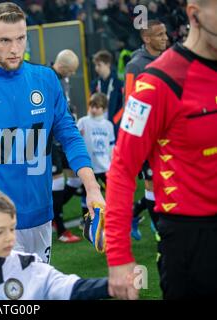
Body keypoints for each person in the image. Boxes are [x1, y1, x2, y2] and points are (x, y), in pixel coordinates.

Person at [0, 2, 105, 264]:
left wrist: (92, 187)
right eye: (4, 40)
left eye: (20, 38)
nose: (14, 49)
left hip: (39, 215)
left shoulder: (46, 80)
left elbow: (69, 135)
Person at [105, 0, 217, 300]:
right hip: (192, 243)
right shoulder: (156, 82)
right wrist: (118, 257)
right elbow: (122, 168)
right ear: (194, 15)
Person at [0, 186, 111, 300]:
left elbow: (72, 288)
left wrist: (113, 286)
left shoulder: (29, 265)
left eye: (12, 229)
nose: (9, 237)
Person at [122, 20, 168, 240]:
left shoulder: (169, 60)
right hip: (149, 136)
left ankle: (135, 215)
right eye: (159, 35)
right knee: (151, 182)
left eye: (165, 33)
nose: (165, 38)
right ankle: (161, 232)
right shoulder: (135, 65)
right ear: (146, 38)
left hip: (170, 134)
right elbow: (130, 101)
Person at [51, 49, 82, 243]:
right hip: (50, 139)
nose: (71, 75)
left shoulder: (62, 79)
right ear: (63, 67)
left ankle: (54, 214)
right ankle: (61, 230)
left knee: (75, 179)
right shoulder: (48, 79)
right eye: (70, 71)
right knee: (57, 181)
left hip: (63, 138)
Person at [77, 92, 115, 190]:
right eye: (91, 106)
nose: (93, 110)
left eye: (97, 107)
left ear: (104, 109)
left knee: (111, 192)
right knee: (88, 194)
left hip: (105, 167)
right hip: (89, 167)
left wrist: (112, 163)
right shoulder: (83, 122)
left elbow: (111, 146)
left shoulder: (108, 125)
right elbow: (75, 141)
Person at [90, 50, 123, 136]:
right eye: (95, 65)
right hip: (98, 124)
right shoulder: (95, 84)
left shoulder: (118, 84)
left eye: (99, 65)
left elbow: (123, 105)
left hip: (114, 125)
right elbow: (91, 103)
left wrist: (115, 121)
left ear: (108, 64)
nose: (96, 68)